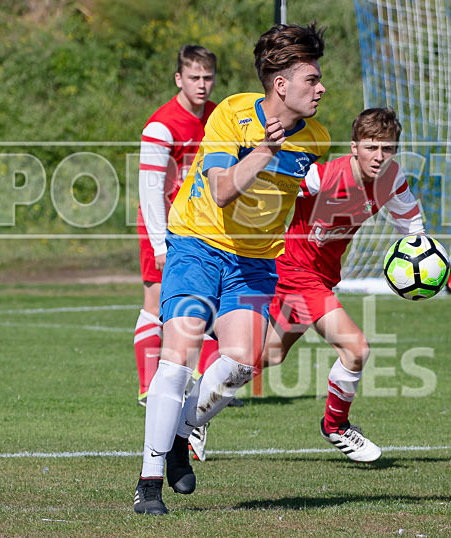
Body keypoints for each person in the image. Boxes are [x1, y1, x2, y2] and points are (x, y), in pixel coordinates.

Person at [133, 22, 330, 515]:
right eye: (312, 79)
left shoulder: (319, 139)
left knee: (243, 360)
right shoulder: (234, 113)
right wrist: (266, 150)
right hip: (198, 245)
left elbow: (315, 193)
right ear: (281, 85)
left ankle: (180, 436)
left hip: (255, 260)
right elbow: (221, 189)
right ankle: (149, 483)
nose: (322, 88)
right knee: (178, 355)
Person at [261, 107, 425, 463]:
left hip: (320, 277)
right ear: (354, 147)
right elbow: (274, 193)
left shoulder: (391, 179)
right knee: (356, 349)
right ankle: (335, 425)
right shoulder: (323, 177)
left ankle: (195, 409)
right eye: (371, 148)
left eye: (388, 149)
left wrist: (424, 266)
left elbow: (413, 229)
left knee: (265, 355)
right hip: (295, 271)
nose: (379, 157)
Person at [134, 44, 222, 461]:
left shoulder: (219, 116)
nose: (202, 86)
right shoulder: (161, 126)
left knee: (203, 309)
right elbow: (149, 189)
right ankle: (148, 386)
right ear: (178, 79)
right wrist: (157, 242)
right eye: (194, 78)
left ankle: (193, 390)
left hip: (204, 229)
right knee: (156, 301)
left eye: (207, 78)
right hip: (166, 227)